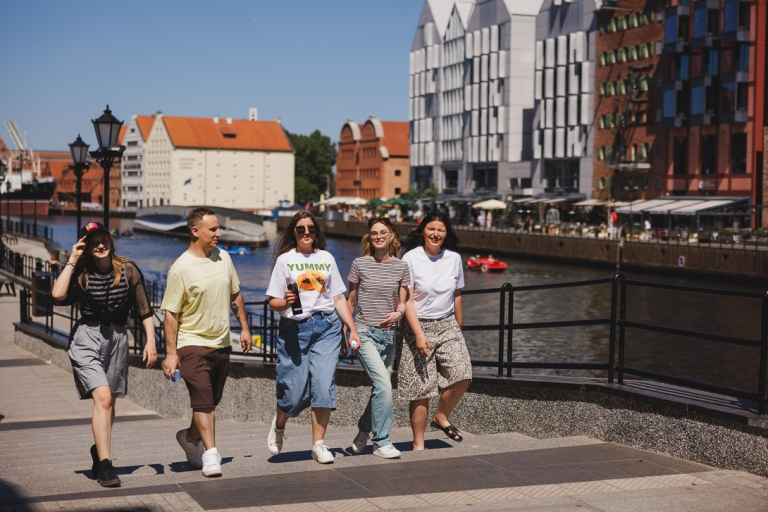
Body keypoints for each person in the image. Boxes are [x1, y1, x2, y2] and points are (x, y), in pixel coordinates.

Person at [51, 222, 156, 488]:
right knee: (105, 398)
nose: (100, 245)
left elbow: (144, 309)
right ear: (85, 246)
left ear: (111, 241)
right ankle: (106, 466)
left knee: (109, 403)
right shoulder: (81, 273)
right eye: (93, 241)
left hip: (117, 338)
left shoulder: (128, 269)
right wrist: (73, 259)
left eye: (104, 239)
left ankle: (99, 453)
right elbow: (57, 294)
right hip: (86, 337)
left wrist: (151, 342)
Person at [161, 208, 251, 478]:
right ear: (195, 231)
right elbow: (171, 315)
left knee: (209, 401)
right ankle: (211, 454)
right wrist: (170, 353)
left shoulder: (223, 257)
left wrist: (244, 327)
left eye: (218, 228)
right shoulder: (180, 268)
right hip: (191, 343)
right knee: (203, 398)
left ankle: (189, 439)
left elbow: (235, 294)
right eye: (213, 229)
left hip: (221, 343)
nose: (219, 233)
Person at [265, 211, 361, 464]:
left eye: (311, 229)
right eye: (300, 229)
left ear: (316, 232)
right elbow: (273, 301)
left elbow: (338, 297)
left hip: (327, 326)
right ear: (293, 233)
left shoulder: (326, 258)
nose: (306, 233)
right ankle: (280, 421)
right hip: (295, 329)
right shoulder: (285, 260)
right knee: (294, 392)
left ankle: (318, 444)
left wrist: (351, 328)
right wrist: (283, 301)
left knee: (323, 384)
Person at [400, 211, 472, 450]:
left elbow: (457, 293)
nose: (436, 234)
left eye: (441, 230)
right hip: (417, 325)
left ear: (446, 233)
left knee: (463, 374)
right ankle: (418, 444)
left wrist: (458, 326)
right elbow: (407, 300)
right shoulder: (411, 258)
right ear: (423, 231)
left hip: (447, 323)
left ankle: (441, 416)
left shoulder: (453, 258)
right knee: (421, 388)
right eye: (431, 229)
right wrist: (419, 334)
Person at [346, 217, 410, 459]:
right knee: (384, 384)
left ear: (391, 236)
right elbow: (351, 301)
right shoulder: (359, 264)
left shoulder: (402, 266)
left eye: (383, 232)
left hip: (389, 336)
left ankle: (364, 428)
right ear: (369, 237)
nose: (378, 236)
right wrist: (347, 330)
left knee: (379, 387)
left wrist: (398, 313)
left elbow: (404, 302)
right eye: (374, 233)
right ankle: (381, 441)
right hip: (363, 332)